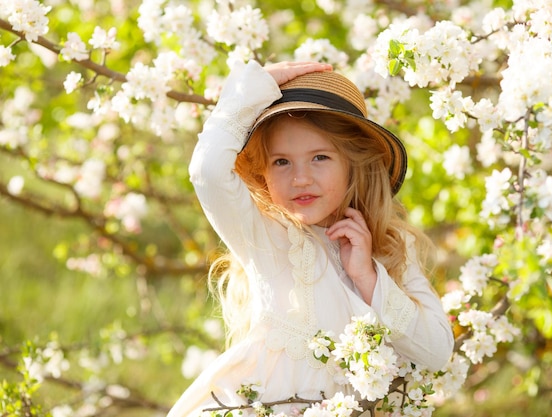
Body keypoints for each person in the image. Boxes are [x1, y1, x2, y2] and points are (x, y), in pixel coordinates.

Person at [167, 60, 454, 417]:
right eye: (282, 162)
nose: (300, 178)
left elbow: (437, 350)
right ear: (265, 173)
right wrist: (251, 90)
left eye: (320, 157)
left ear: (353, 162)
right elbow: (207, 171)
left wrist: (367, 277)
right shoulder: (267, 236)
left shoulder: (391, 248)